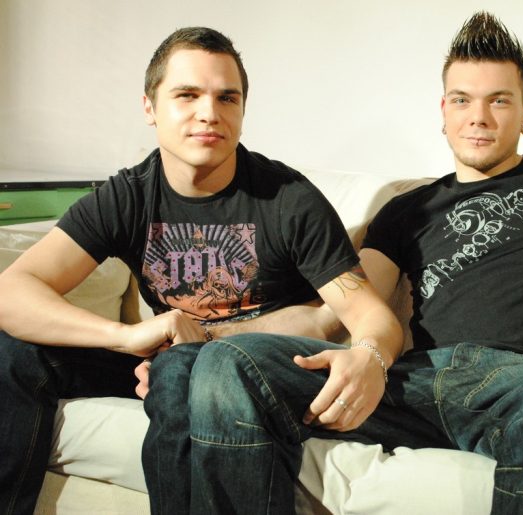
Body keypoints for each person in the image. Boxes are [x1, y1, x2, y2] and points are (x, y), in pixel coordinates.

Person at [152, 11, 523, 515]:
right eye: (463, 100)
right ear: (442, 110)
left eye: (500, 101)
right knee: (229, 365)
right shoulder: (404, 210)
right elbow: (334, 315)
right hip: (412, 381)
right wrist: (209, 336)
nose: (479, 117)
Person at [0, 27, 401, 515]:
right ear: (150, 107)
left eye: (227, 97)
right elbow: (12, 291)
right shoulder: (129, 195)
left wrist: (370, 356)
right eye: (187, 95)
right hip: (166, 354)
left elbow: (367, 318)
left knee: (178, 366)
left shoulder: (288, 199)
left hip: (253, 369)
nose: (209, 113)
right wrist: (125, 337)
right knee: (13, 352)